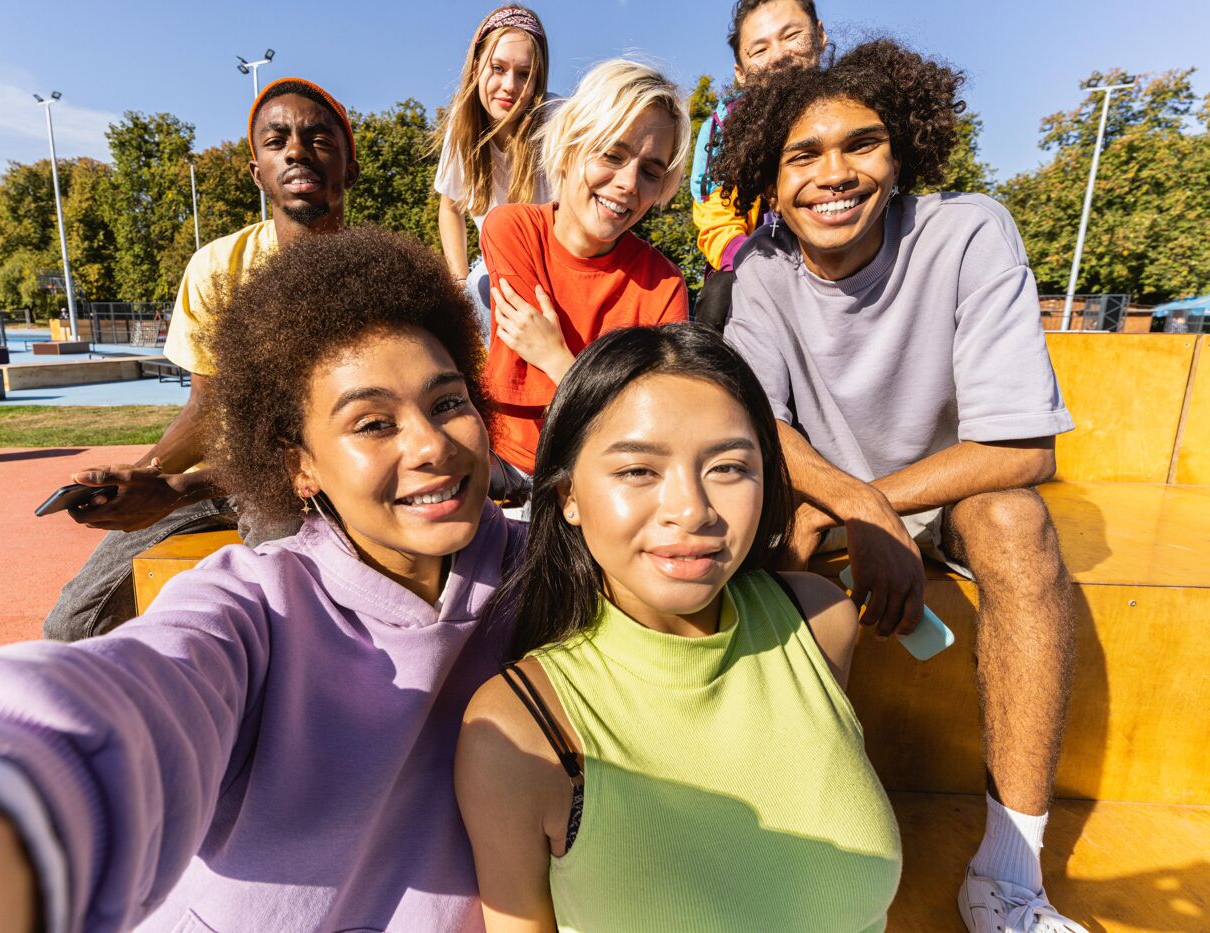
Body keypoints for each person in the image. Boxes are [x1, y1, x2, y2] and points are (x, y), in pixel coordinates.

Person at [0, 227, 529, 933]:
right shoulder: (256, 607)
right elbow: (145, 697)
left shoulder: (544, 575)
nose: (432, 445)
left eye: (447, 402)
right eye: (372, 423)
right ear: (299, 466)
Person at [712, 40, 1085, 932]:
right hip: (836, 499)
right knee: (772, 535)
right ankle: (780, 829)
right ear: (770, 173)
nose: (834, 174)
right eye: (804, 154)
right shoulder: (759, 269)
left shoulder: (968, 229)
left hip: (951, 490)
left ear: (902, 151)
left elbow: (1024, 445)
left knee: (1016, 521)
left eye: (862, 144)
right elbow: (758, 428)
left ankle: (1010, 874)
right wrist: (860, 506)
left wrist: (886, 505)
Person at [455, 324, 902, 931]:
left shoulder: (818, 623)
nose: (691, 509)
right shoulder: (520, 732)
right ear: (567, 498)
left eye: (728, 467)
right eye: (638, 470)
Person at [42, 76, 360, 642]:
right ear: (256, 170)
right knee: (72, 625)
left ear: (348, 166)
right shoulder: (218, 266)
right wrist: (142, 478)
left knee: (284, 628)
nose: (296, 150)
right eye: (277, 139)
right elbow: (207, 408)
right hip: (215, 480)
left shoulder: (377, 279)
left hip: (315, 489)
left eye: (318, 138)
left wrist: (178, 489)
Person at [479, 59, 691, 481]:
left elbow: (654, 420)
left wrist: (555, 357)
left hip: (601, 476)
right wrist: (610, 390)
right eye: (612, 154)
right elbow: (621, 409)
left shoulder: (665, 285)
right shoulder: (511, 228)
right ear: (572, 144)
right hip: (501, 466)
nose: (629, 184)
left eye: (650, 172)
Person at [690, 0, 828, 331]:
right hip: (754, 263)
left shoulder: (856, 105)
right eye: (760, 50)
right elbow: (717, 221)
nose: (779, 55)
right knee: (722, 290)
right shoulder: (724, 126)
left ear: (819, 35)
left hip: (846, 260)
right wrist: (759, 264)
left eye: (791, 35)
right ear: (740, 72)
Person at [435, 5, 555, 338]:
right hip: (497, 270)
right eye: (498, 68)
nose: (509, 86)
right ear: (476, 67)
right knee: (474, 296)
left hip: (554, 268)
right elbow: (450, 206)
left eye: (524, 74)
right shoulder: (462, 131)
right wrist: (458, 282)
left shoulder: (557, 122)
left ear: (537, 81)